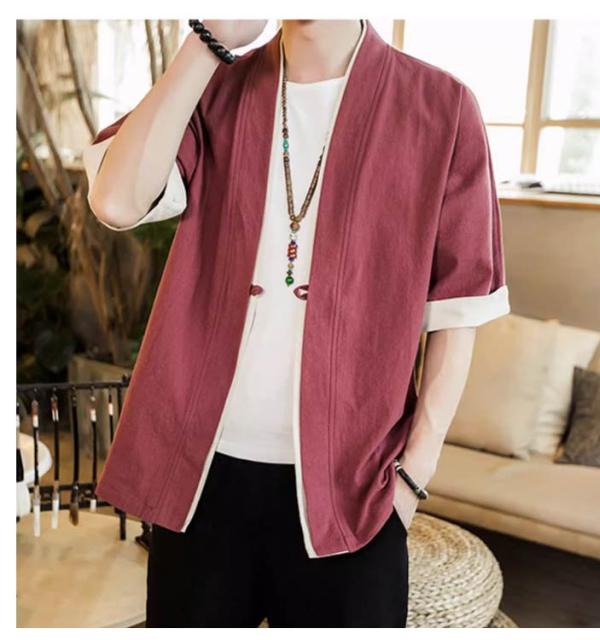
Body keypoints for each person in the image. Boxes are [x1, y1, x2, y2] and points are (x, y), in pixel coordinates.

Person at [83, 19, 510, 628]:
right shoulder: (213, 84)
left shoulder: (441, 106)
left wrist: (413, 477)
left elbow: (459, 307)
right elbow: (116, 201)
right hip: (200, 476)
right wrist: (205, 42)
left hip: (354, 487)